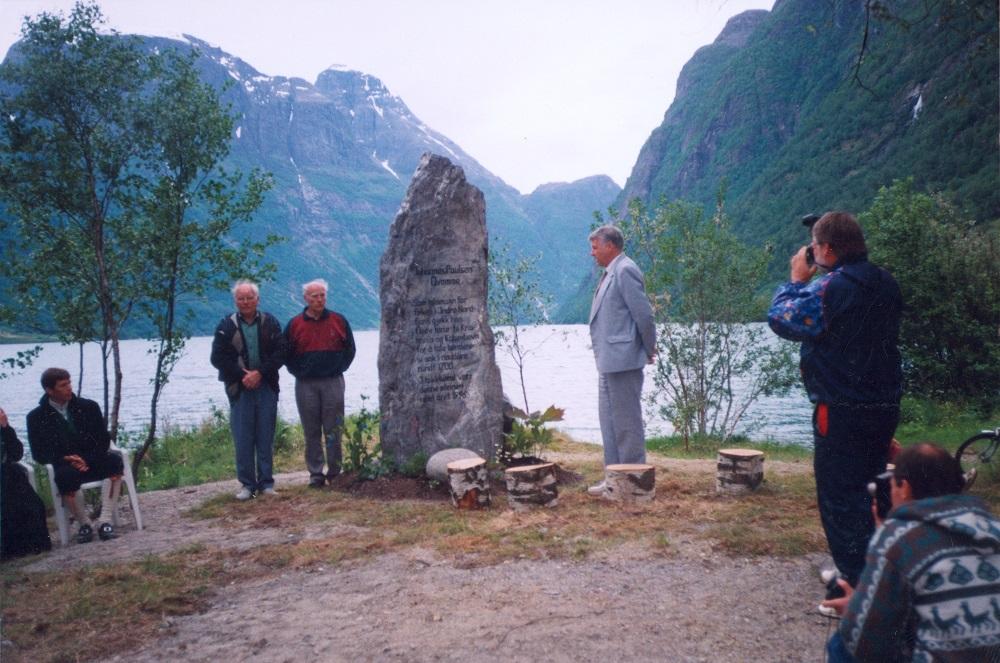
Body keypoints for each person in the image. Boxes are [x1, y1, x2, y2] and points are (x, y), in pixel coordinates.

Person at [767, 212, 902, 601]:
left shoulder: (832, 288)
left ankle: (855, 586)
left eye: (814, 246)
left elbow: (782, 319)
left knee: (840, 495)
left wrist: (796, 280)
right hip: (883, 403)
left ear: (826, 249)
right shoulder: (886, 283)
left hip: (840, 406)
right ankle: (879, 568)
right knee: (874, 486)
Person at [822, 443, 1000, 662]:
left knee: (842, 646)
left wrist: (854, 611)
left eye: (893, 485)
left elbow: (867, 644)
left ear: (904, 488)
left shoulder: (899, 538)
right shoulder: (993, 527)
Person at [586, 225, 656, 497]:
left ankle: (633, 481)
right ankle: (613, 478)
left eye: (595, 247)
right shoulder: (610, 272)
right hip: (608, 360)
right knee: (609, 423)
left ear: (610, 246)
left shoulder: (625, 269)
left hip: (624, 360)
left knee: (627, 423)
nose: (592, 253)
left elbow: (644, 315)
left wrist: (649, 348)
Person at [26, 368, 123, 544]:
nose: (69, 387)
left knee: (115, 462)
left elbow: (102, 440)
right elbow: (39, 453)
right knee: (64, 476)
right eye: (63, 385)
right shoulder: (36, 417)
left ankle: (105, 521)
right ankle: (84, 524)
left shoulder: (88, 407)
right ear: (49, 390)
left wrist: (85, 459)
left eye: (69, 383)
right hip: (65, 464)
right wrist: (67, 459)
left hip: (92, 459)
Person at [210, 280, 287, 500]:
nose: (245, 302)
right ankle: (247, 485)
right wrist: (242, 376)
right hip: (239, 389)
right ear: (235, 301)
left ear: (257, 300)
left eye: (249, 298)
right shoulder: (226, 326)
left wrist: (260, 373)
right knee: (243, 437)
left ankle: (266, 484)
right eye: (241, 298)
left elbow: (280, 352)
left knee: (265, 435)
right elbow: (217, 358)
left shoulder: (270, 323)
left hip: (266, 386)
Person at [285, 278, 356, 488]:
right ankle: (315, 474)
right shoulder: (295, 324)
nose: (319, 299)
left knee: (334, 428)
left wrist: (338, 368)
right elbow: (286, 353)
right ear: (306, 298)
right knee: (311, 429)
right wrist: (299, 371)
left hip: (333, 381)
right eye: (314, 296)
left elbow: (350, 349)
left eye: (322, 295)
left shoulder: (338, 320)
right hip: (306, 384)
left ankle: (335, 472)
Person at [1, 407, 51, 559]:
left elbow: (16, 454)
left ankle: (33, 545)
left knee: (31, 503)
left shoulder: (4, 431)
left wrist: (6, 428)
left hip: (7, 474)